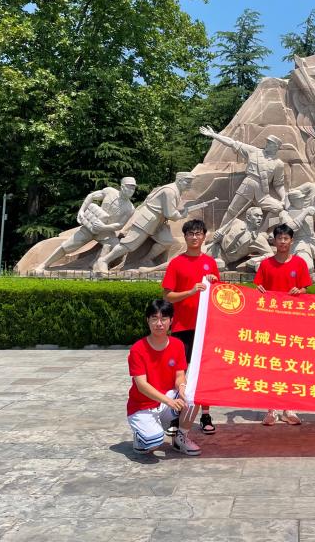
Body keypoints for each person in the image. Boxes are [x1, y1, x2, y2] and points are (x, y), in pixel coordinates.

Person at [161, 218, 219, 436]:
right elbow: (167, 296)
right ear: (185, 237)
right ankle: (177, 414)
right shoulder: (176, 263)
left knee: (203, 372)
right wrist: (191, 291)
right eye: (191, 234)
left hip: (205, 327)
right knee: (181, 373)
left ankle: (205, 415)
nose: (195, 237)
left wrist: (214, 282)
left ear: (204, 236)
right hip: (182, 326)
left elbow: (218, 296)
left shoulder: (210, 263)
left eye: (198, 233)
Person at [126, 299, 202, 457]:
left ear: (171, 321)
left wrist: (182, 388)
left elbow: (180, 376)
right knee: (153, 443)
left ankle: (180, 437)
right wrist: (169, 401)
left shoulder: (177, 345)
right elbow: (142, 385)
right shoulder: (138, 349)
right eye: (154, 318)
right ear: (148, 320)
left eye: (164, 318)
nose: (159, 323)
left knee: (193, 394)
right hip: (142, 405)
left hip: (166, 401)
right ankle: (140, 437)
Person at [254, 223, 313, 425]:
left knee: (291, 366)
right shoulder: (266, 264)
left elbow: (306, 289)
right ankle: (271, 409)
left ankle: (289, 408)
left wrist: (299, 291)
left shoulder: (299, 263)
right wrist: (259, 290)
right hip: (271, 323)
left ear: (291, 241)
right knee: (271, 366)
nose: (282, 241)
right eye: (279, 238)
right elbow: (258, 288)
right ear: (274, 241)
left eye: (286, 238)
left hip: (293, 323)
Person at [94, 172, 198, 272]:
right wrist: (182, 215)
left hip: (159, 221)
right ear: (179, 181)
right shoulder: (170, 191)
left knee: (167, 241)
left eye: (190, 182)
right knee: (129, 244)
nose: (189, 184)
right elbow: (170, 214)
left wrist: (179, 212)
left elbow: (168, 210)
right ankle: (104, 260)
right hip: (147, 219)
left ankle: (145, 260)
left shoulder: (176, 191)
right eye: (187, 181)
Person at [34, 178, 137, 274]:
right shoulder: (110, 191)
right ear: (122, 186)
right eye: (129, 187)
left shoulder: (130, 208)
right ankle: (44, 265)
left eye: (133, 188)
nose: (131, 190)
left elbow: (120, 225)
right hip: (91, 226)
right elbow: (91, 196)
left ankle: (97, 265)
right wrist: (81, 211)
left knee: (116, 247)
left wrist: (103, 227)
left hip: (106, 231)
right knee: (66, 246)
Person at [199, 127, 289, 225]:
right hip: (248, 185)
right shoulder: (254, 151)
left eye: (270, 143)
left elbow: (278, 184)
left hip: (262, 193)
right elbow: (232, 143)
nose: (267, 144)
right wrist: (214, 135)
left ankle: (263, 229)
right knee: (232, 211)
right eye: (267, 142)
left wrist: (284, 198)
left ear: (276, 147)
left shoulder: (278, 164)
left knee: (278, 208)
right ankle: (221, 232)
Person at [206, 206, 273, 271]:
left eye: (261, 216)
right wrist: (217, 234)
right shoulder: (235, 222)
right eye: (256, 215)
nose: (260, 218)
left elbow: (270, 254)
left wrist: (256, 259)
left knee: (213, 266)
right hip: (213, 249)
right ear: (248, 217)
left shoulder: (258, 238)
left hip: (223, 261)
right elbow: (220, 231)